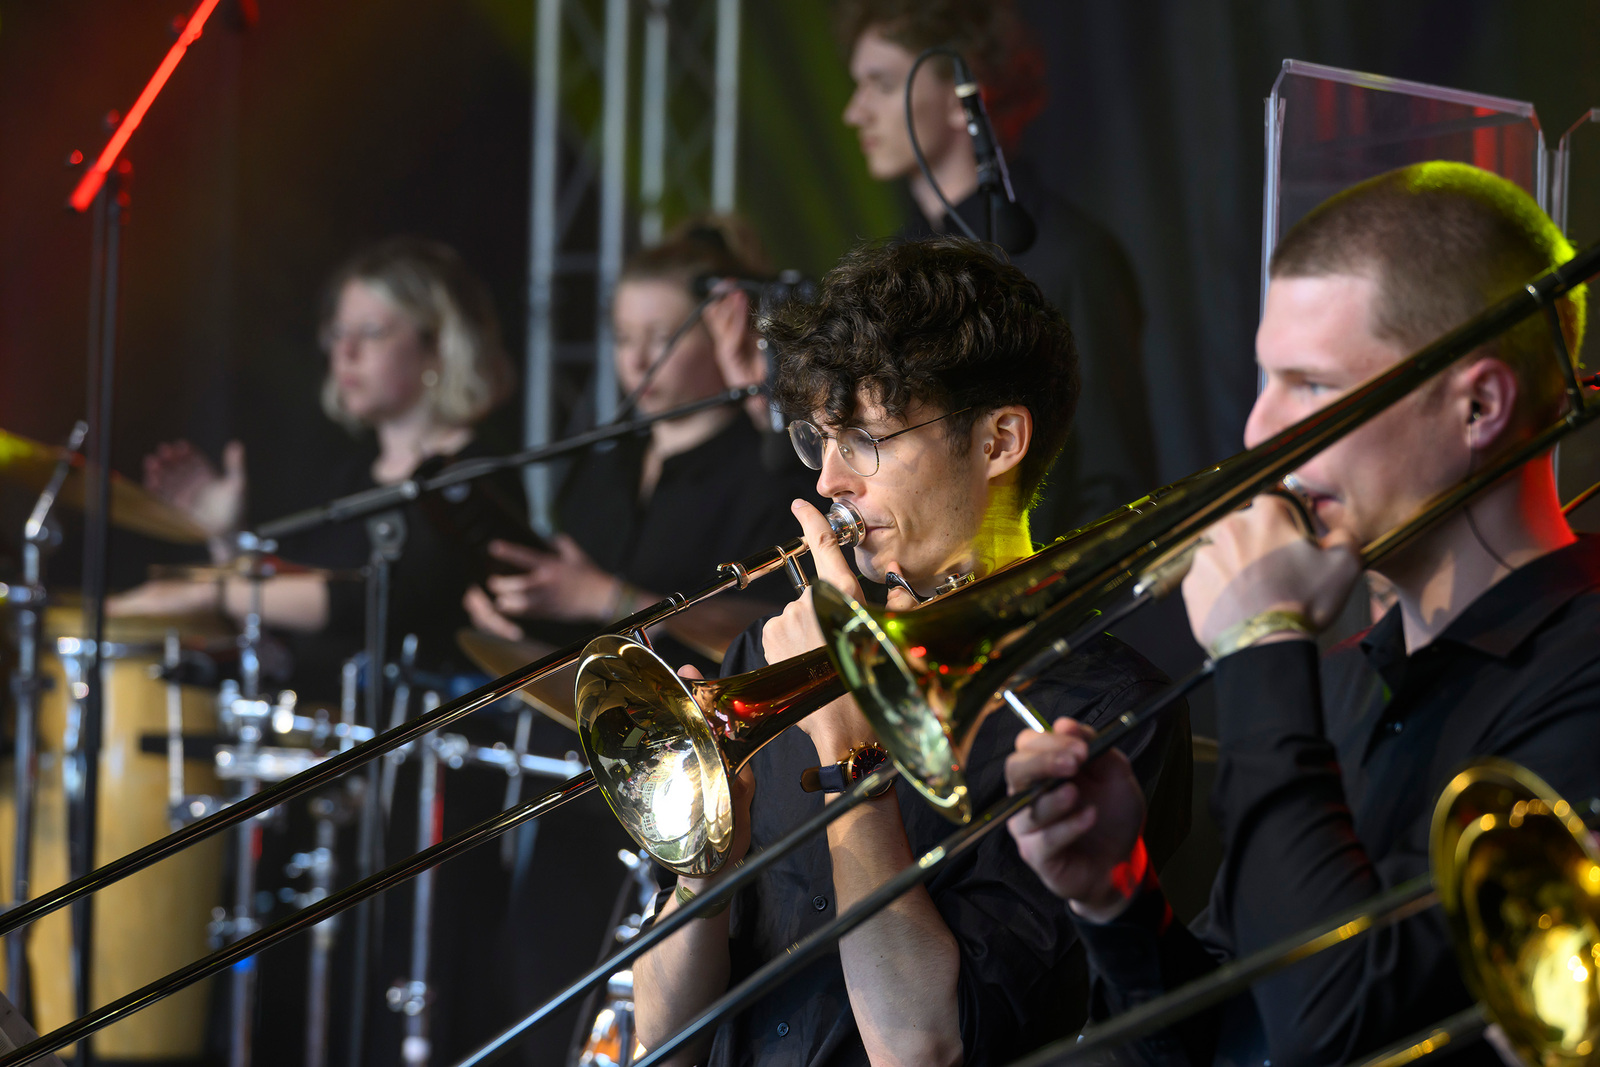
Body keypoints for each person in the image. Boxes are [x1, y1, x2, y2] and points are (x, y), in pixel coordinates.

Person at [1003, 162, 1599, 1066]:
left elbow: (1335, 1028)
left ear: (1478, 404)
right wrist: (1121, 902)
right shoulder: (1350, 673)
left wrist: (1259, 644)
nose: (1258, 430)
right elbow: (1246, 1039)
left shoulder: (1580, 675)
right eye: (1264, 378)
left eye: (1310, 385)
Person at [632, 236, 1192, 1067]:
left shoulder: (1107, 708)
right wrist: (702, 867)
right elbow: (662, 1041)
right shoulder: (776, 648)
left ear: (999, 441)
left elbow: (924, 1048)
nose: (828, 483)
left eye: (863, 438)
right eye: (817, 440)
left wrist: (849, 748)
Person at [110, 236, 529, 687]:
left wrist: (210, 592)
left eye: (371, 332)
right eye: (337, 333)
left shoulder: (475, 477)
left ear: (438, 345)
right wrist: (226, 542)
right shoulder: (350, 478)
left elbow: (380, 599)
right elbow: (291, 630)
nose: (345, 353)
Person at [836, 0, 1155, 537]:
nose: (854, 112)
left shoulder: (1070, 254)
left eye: (882, 84)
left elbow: (1112, 480)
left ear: (965, 98)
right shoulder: (889, 269)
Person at [463, 216, 822, 671]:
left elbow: (778, 631)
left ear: (721, 332)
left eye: (661, 338)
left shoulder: (772, 470)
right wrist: (519, 604)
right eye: (624, 337)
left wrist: (605, 597)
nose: (636, 360)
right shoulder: (604, 463)